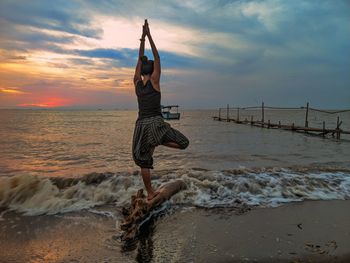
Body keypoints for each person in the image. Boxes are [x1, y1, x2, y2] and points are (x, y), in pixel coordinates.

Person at [132, 19, 189, 202]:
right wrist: (148, 35)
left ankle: (150, 192)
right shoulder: (155, 81)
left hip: (141, 126)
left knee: (144, 161)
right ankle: (159, 141)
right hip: (156, 123)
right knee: (183, 143)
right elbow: (157, 58)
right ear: (153, 70)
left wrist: (141, 40)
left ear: (141, 72)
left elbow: (140, 61)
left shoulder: (137, 83)